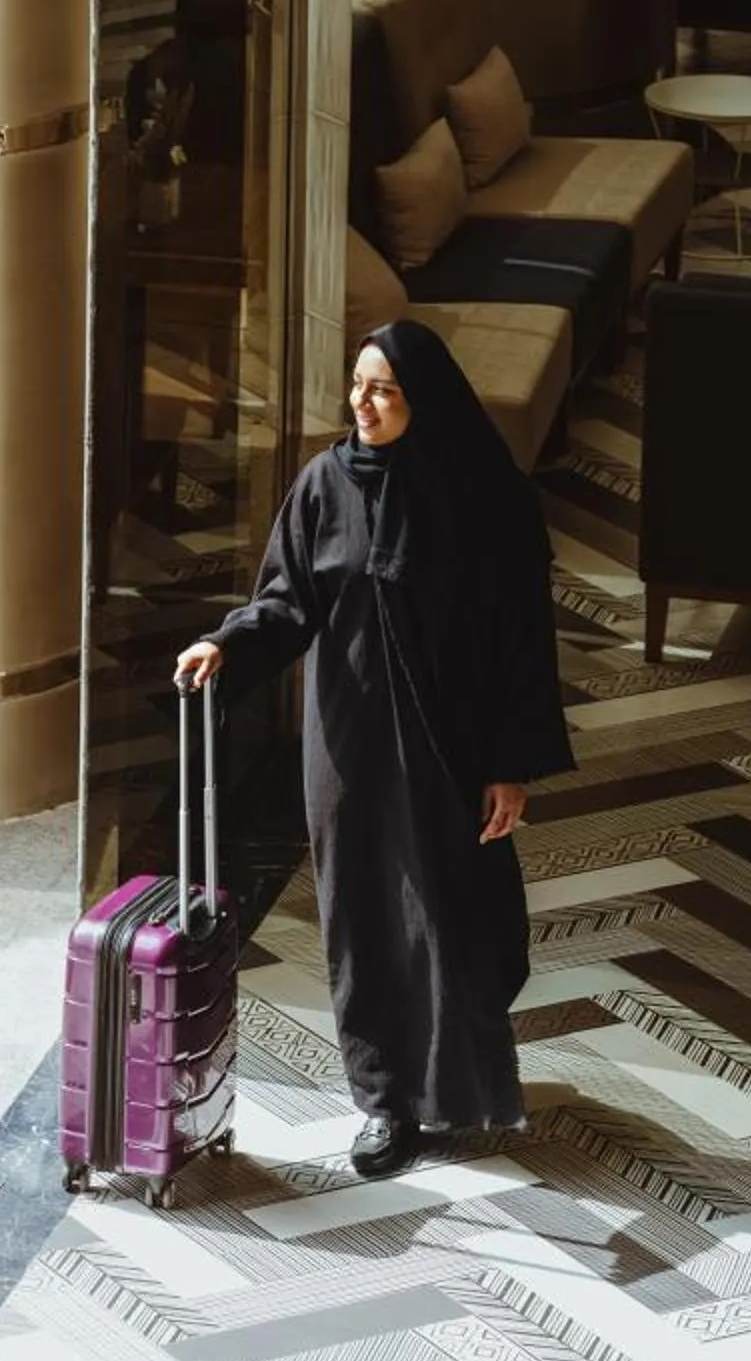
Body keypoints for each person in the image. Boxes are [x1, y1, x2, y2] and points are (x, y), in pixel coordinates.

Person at [175, 320, 574, 1178]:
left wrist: (509, 763)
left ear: (421, 400)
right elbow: (287, 601)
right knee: (361, 915)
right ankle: (387, 1102)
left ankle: (454, 1086)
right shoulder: (325, 483)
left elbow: (519, 642)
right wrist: (228, 645)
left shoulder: (483, 499)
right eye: (358, 383)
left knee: (454, 915)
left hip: (449, 743)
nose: (363, 401)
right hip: (348, 742)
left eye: (383, 388)